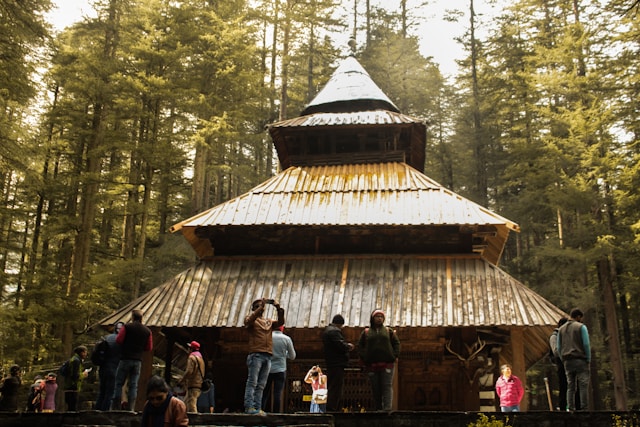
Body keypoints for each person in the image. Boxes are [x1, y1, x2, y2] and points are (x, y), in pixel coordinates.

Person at [243, 297, 285, 415]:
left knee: (261, 384)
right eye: (257, 306)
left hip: (267, 355)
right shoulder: (250, 319)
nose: (260, 308)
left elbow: (281, 322)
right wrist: (261, 307)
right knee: (252, 382)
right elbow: (249, 321)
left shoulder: (268, 322)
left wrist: (278, 308)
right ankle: (249, 406)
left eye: (261, 306)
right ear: (254, 309)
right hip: (256, 354)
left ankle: (257, 407)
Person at [358, 309, 400, 411]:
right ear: (373, 318)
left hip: (387, 364)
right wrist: (364, 357)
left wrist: (394, 356)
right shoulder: (366, 332)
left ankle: (387, 409)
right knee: (375, 388)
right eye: (377, 316)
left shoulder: (388, 331)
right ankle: (378, 408)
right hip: (372, 365)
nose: (379, 318)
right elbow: (360, 346)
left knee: (387, 386)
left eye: (381, 317)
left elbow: (396, 343)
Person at [111, 309, 153, 411]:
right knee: (133, 385)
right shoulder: (147, 331)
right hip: (137, 360)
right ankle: (131, 408)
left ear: (133, 317)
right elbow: (149, 348)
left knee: (119, 383)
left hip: (125, 358)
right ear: (141, 318)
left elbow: (119, 340)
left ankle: (116, 407)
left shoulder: (127, 327)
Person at [557, 307, 591, 411]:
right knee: (583, 385)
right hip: (580, 359)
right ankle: (583, 408)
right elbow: (586, 344)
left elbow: (559, 347)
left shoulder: (561, 329)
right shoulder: (581, 327)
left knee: (570, 385)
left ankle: (570, 408)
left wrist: (562, 358)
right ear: (578, 317)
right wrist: (588, 358)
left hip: (567, 361)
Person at [322, 314, 354, 412]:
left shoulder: (327, 330)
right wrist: (348, 346)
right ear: (340, 324)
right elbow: (339, 345)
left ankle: (331, 406)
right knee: (336, 387)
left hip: (331, 362)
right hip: (337, 363)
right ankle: (332, 408)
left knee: (332, 385)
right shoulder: (334, 331)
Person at [262, 325, 296, 413]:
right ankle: (276, 413)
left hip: (267, 369)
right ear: (282, 329)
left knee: (264, 392)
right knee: (277, 393)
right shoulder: (286, 339)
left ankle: (260, 410)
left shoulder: (266, 338)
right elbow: (292, 356)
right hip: (280, 369)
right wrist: (285, 354)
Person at [96, 321, 124, 410]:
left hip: (103, 368)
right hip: (114, 369)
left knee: (102, 392)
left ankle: (96, 411)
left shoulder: (107, 338)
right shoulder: (121, 341)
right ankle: (104, 413)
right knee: (110, 393)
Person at [178, 340, 205, 413]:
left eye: (189, 348)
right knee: (185, 404)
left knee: (192, 405)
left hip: (193, 384)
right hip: (198, 384)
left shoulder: (192, 357)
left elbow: (189, 371)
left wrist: (182, 380)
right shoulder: (200, 358)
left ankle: (194, 422)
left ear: (191, 349)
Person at [549, 317, 569, 411]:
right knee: (563, 385)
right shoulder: (555, 336)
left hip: (568, 364)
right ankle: (562, 407)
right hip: (561, 365)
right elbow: (555, 351)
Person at [64, 345, 90, 411]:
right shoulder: (76, 361)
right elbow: (75, 376)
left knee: (71, 406)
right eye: (85, 352)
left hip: (70, 387)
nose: (86, 354)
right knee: (72, 407)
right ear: (82, 352)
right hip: (72, 387)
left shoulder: (75, 359)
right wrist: (83, 375)